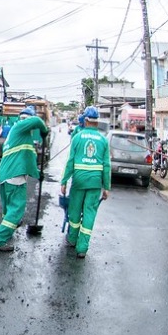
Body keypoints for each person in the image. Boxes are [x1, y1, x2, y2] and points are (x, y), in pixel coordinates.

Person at [0, 107, 49, 251]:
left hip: (7, 175)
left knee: (9, 209)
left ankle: (9, 227)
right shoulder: (20, 127)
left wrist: (37, 173)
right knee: (16, 210)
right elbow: (36, 120)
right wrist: (44, 131)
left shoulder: (19, 135)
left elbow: (27, 159)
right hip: (15, 177)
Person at [60, 106, 110, 258]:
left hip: (79, 181)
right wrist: (106, 187)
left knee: (75, 211)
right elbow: (106, 166)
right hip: (95, 182)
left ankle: (72, 239)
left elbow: (70, 162)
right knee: (89, 213)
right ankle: (82, 248)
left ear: (86, 120)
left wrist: (64, 181)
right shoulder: (103, 140)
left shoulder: (78, 137)